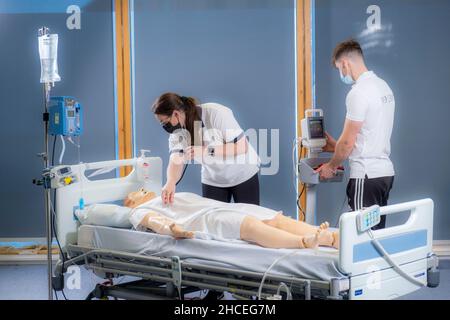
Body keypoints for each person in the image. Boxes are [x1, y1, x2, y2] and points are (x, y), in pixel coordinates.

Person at [316, 39, 395, 230]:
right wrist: (334, 145)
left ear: (345, 64)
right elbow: (368, 137)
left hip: (365, 175)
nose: (341, 74)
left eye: (339, 69)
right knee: (376, 234)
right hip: (384, 174)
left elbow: (348, 143)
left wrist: (331, 166)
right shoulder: (382, 86)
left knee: (362, 236)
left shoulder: (358, 93)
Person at [124, 188, 339, 250]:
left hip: (222, 207)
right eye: (137, 191)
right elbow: (154, 222)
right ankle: (303, 243)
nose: (144, 189)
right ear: (131, 203)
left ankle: (330, 237)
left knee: (275, 218)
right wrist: (173, 229)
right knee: (250, 226)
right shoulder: (138, 211)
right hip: (207, 218)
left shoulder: (167, 193)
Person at [152, 93, 260, 206]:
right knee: (213, 220)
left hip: (242, 173)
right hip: (213, 179)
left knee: (250, 218)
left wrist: (206, 151)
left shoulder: (216, 113)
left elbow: (242, 147)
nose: (165, 126)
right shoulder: (177, 133)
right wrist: (170, 182)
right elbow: (176, 160)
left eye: (165, 122)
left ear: (176, 114)